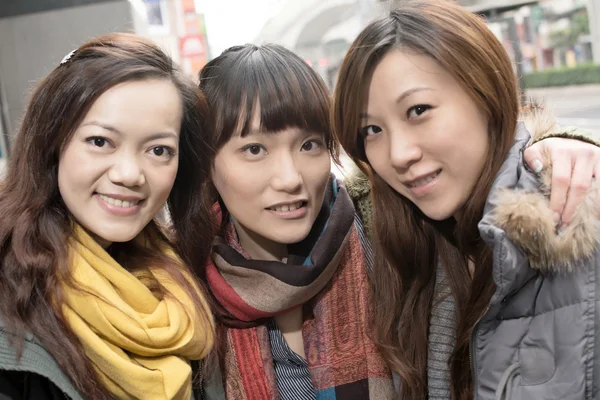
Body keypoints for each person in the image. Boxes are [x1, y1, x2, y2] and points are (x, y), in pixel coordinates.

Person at [332, 1, 600, 399]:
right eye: (372, 130)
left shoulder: (577, 219)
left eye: (418, 110)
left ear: (485, 94)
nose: (398, 154)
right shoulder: (404, 243)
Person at [0, 33, 215, 400]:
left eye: (159, 149)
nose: (130, 174)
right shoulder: (12, 300)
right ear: (52, 142)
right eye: (100, 141)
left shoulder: (181, 279)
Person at [199, 43, 394, 400]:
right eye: (255, 149)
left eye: (309, 145)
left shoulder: (386, 238)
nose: (290, 179)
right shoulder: (182, 288)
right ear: (207, 164)